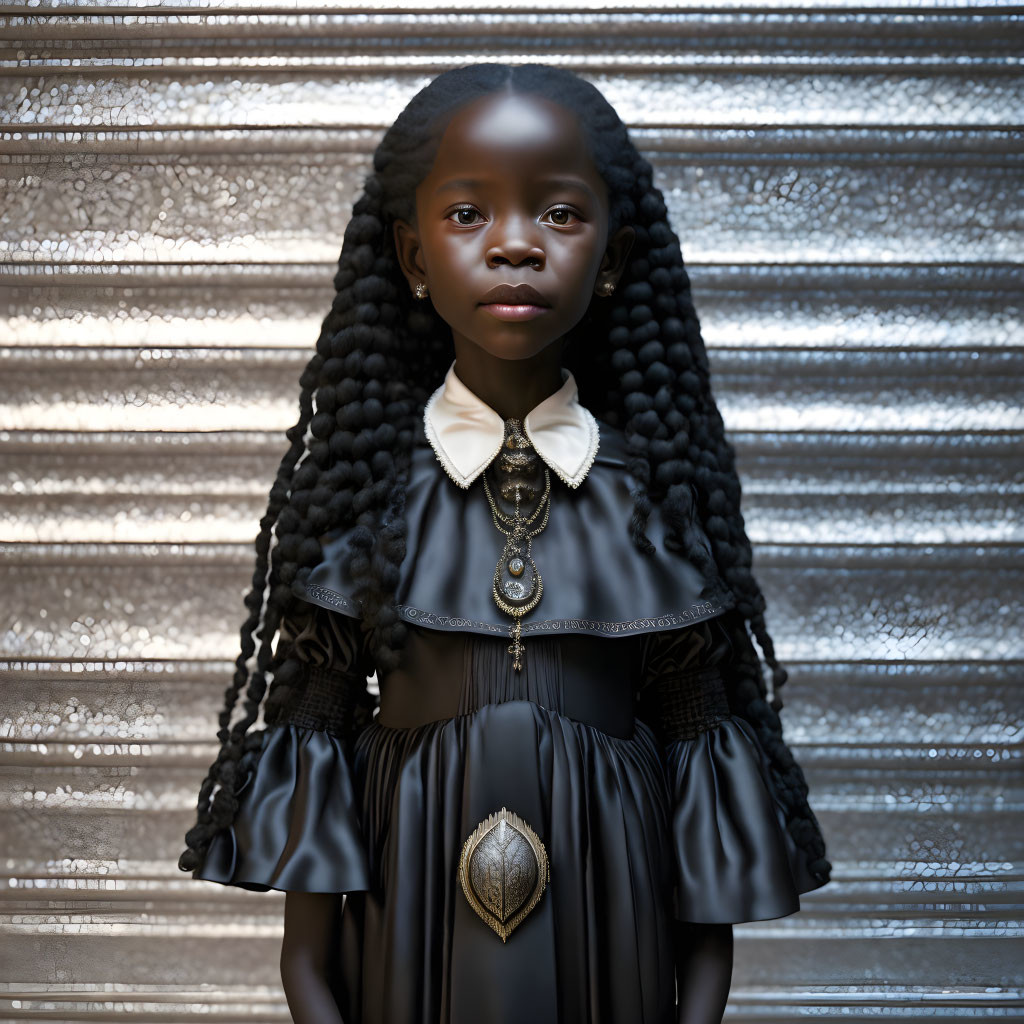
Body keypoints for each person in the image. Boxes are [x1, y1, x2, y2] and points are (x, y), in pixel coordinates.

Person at [178, 63, 831, 1024]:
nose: (516, 246)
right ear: (409, 255)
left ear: (611, 257)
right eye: (468, 214)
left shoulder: (658, 521)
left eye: (561, 215)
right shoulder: (365, 513)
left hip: (615, 961)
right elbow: (310, 957)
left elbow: (704, 897)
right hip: (410, 962)